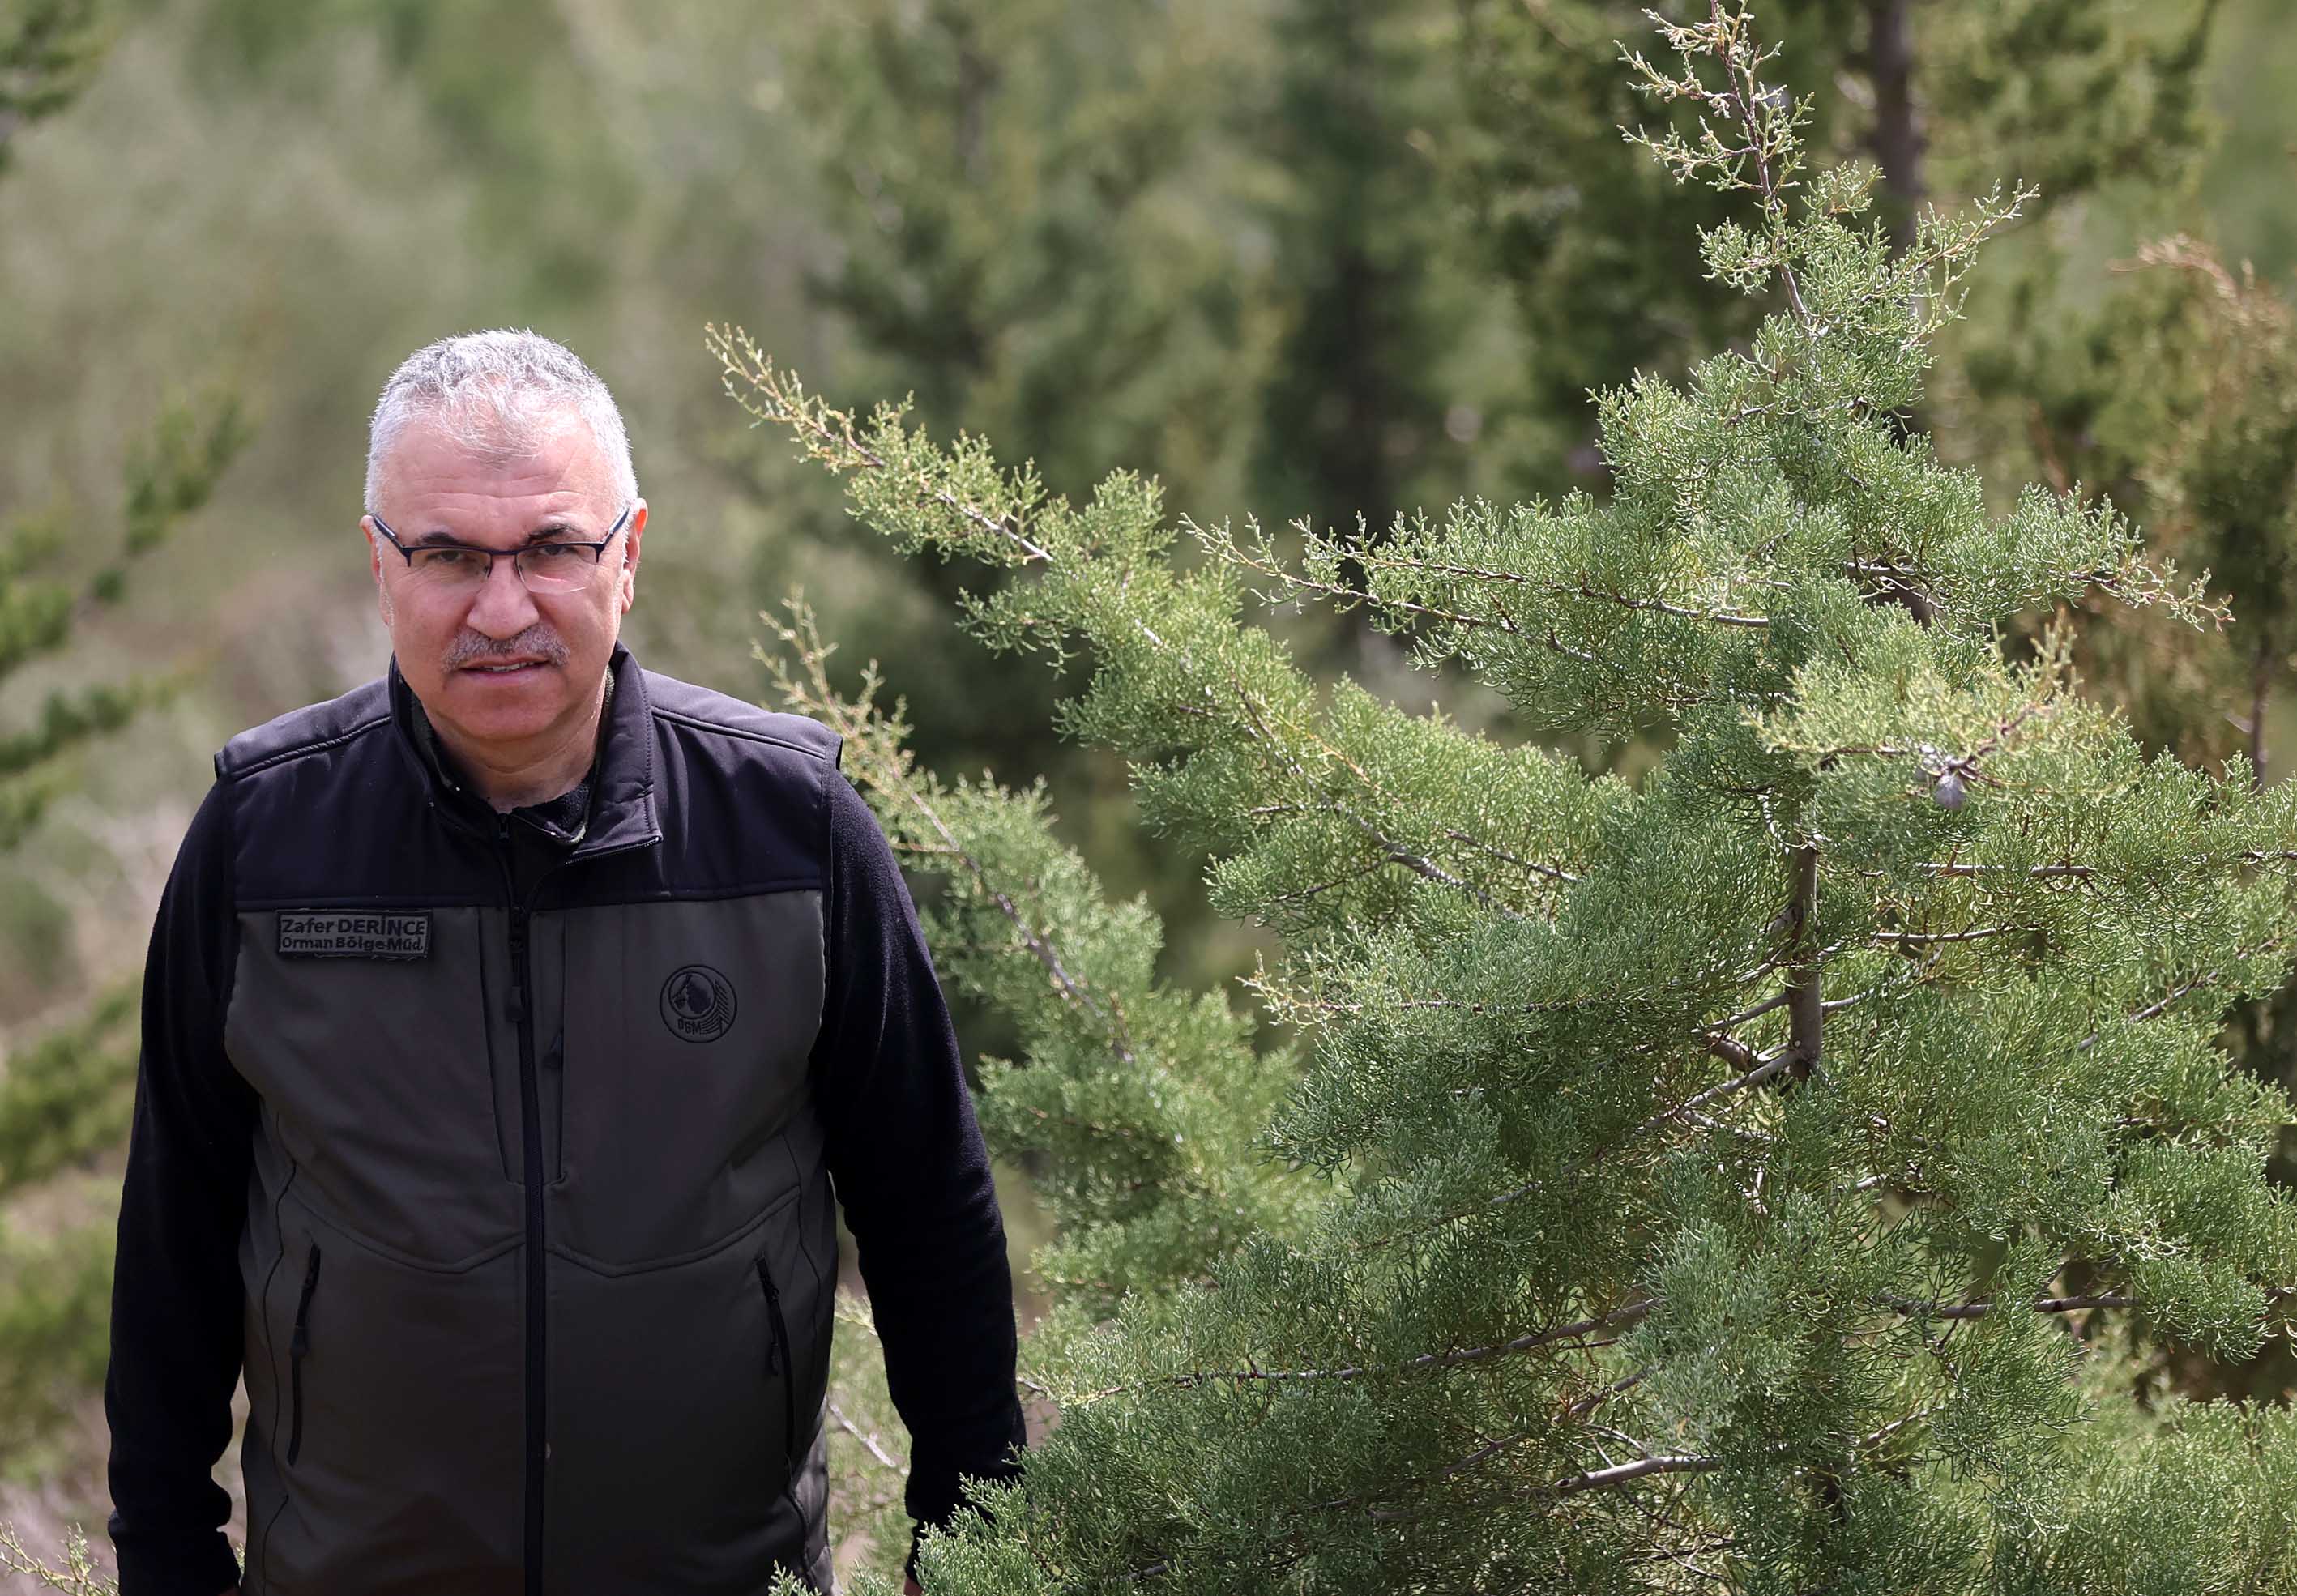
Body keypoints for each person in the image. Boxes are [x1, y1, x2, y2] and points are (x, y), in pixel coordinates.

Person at [101, 330, 1027, 1595]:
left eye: (550, 548)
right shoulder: (263, 842)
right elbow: (175, 1241)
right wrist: (166, 1563)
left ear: (628, 554)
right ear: (380, 564)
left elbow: (930, 1212)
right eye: (447, 555)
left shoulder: (793, 830)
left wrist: (973, 1548)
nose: (502, 609)